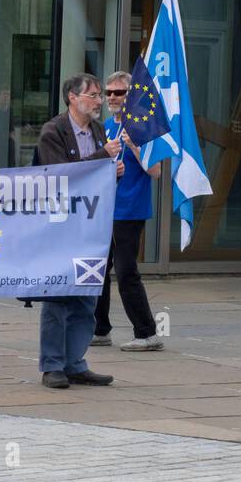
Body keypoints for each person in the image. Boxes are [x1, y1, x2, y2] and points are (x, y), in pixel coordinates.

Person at [34, 72, 122, 389]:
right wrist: (104, 158)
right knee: (57, 296)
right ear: (73, 97)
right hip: (59, 228)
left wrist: (115, 171)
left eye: (100, 95)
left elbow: (98, 177)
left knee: (86, 296)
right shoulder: (52, 132)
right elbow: (60, 176)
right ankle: (52, 365)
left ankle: (75, 362)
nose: (100, 101)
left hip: (90, 227)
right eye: (94, 95)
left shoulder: (98, 130)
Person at [92, 70, 164, 351]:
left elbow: (156, 172)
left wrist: (135, 148)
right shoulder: (107, 126)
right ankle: (100, 329)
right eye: (108, 92)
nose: (111, 97)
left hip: (130, 210)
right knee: (96, 270)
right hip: (105, 209)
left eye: (118, 92)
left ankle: (146, 332)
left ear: (131, 95)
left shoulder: (142, 127)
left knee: (125, 271)